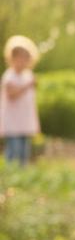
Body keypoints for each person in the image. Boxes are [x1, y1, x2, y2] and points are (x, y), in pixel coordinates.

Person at [2, 35, 40, 166]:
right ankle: (9, 173)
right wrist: (27, 86)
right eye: (20, 58)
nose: (23, 61)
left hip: (24, 122)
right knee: (14, 150)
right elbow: (11, 94)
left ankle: (21, 176)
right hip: (12, 123)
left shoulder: (28, 75)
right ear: (12, 58)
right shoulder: (9, 76)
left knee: (24, 152)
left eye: (26, 58)